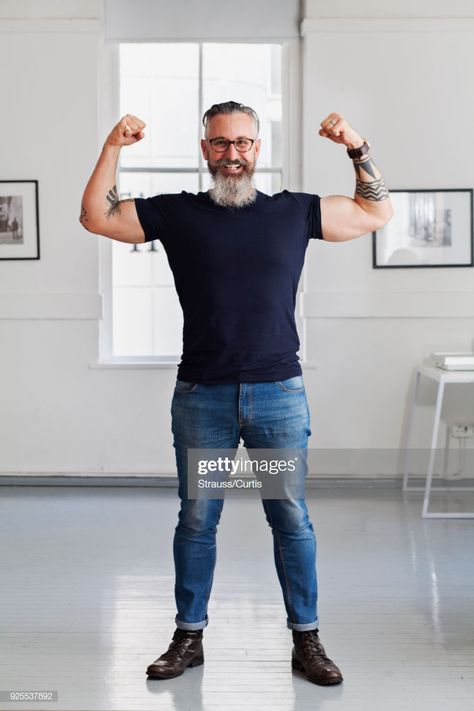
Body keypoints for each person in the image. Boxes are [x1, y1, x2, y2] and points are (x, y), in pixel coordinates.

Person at [80, 101, 393, 686]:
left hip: (276, 394)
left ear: (257, 150)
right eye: (221, 144)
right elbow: (96, 216)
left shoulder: (293, 213)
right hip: (205, 398)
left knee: (289, 518)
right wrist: (113, 146)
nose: (233, 154)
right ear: (206, 150)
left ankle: (307, 640)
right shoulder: (176, 214)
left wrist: (356, 143)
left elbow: (376, 212)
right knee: (199, 519)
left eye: (243, 143)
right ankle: (189, 637)